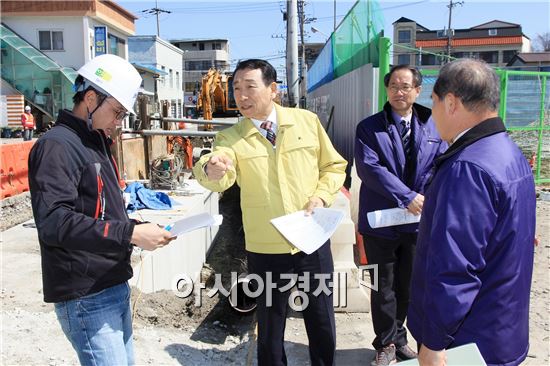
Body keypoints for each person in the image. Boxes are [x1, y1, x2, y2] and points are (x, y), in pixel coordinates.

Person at [193, 59, 347, 366]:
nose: (241, 96)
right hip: (267, 245)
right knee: (271, 323)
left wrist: (321, 196)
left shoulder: (305, 122)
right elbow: (220, 171)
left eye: (250, 87)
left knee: (320, 318)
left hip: (311, 238)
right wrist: (210, 167)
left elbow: (334, 166)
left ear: (273, 89)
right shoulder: (231, 137)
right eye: (236, 88)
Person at [28, 54, 174, 366]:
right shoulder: (57, 146)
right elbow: (54, 222)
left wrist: (137, 227)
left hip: (110, 284)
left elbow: (103, 212)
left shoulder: (94, 142)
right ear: (91, 98)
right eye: (118, 111)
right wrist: (129, 233)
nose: (119, 121)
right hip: (86, 295)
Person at [407, 59, 536, 366]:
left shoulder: (467, 167)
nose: (432, 113)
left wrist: (434, 342)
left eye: (434, 102)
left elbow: (455, 267)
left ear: (451, 102)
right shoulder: (507, 151)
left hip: (469, 342)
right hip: (503, 328)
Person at [354, 64, 446, 366]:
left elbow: (439, 164)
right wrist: (407, 196)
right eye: (393, 85)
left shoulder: (433, 123)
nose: (399, 91)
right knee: (383, 286)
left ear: (418, 90)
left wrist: (423, 198)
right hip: (381, 222)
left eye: (405, 86)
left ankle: (399, 337)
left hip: (417, 222)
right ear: (386, 89)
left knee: (407, 285)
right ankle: (384, 344)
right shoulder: (369, 127)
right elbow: (370, 169)